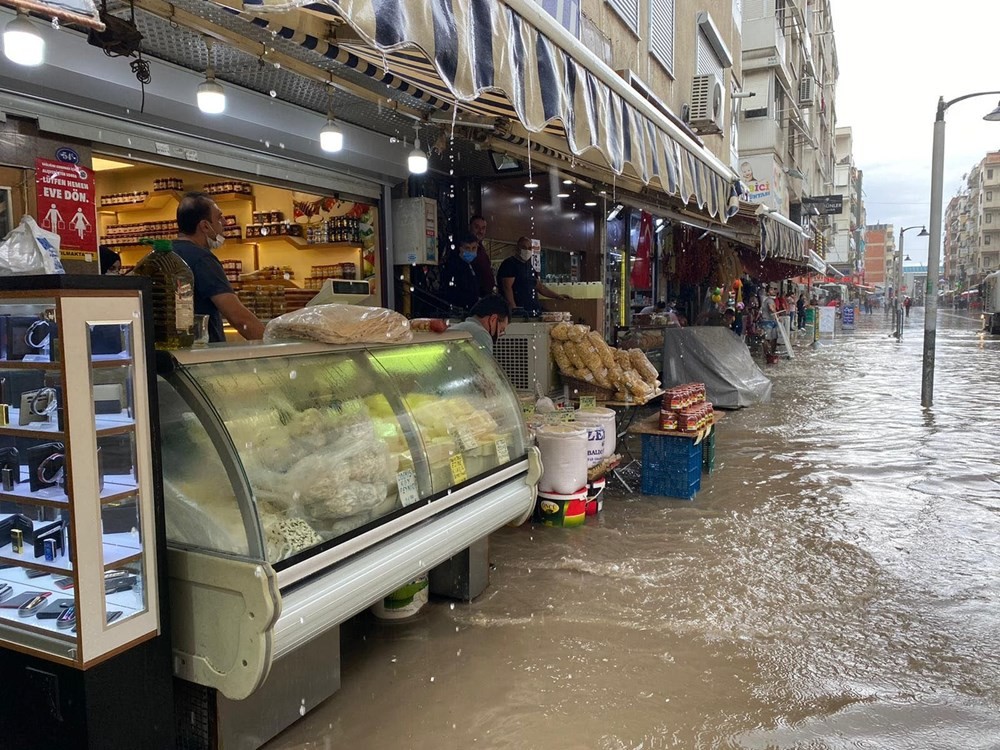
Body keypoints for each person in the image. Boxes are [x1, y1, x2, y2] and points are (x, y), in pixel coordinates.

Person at [173, 192, 265, 343]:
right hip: (202, 355)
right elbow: (239, 318)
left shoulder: (163, 254)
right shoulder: (202, 259)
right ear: (205, 226)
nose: (225, 222)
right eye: (219, 217)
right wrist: (278, 348)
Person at [496, 236, 570, 314]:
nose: (527, 250)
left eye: (529, 248)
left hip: (533, 310)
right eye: (524, 247)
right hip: (520, 311)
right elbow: (507, 287)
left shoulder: (529, 266)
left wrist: (557, 296)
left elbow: (539, 286)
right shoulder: (510, 264)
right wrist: (514, 309)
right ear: (517, 248)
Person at [441, 232, 487, 313]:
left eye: (474, 248)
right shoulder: (453, 266)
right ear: (460, 248)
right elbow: (453, 292)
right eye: (467, 248)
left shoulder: (474, 265)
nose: (471, 251)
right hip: (460, 310)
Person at [469, 215, 497, 297]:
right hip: (474, 295)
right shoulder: (467, 247)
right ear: (470, 227)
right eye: (477, 227)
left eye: (483, 228)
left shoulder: (481, 248)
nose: (480, 231)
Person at [760, 285, 781, 361]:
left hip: (770, 321)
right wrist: (776, 314)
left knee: (773, 338)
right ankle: (768, 354)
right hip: (768, 321)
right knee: (768, 339)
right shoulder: (769, 300)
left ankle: (770, 353)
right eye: (771, 289)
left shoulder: (767, 300)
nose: (774, 291)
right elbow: (771, 308)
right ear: (768, 292)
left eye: (774, 289)